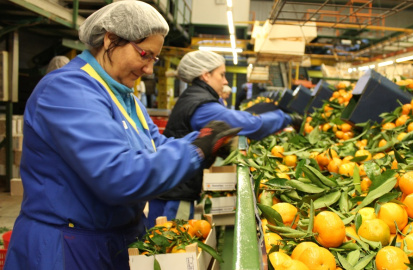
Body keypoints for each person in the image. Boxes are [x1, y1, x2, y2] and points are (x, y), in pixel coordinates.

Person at [4, 1, 239, 270]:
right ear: (111, 40)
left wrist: (204, 140)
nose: (149, 69)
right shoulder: (67, 91)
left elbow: (156, 146)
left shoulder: (125, 98)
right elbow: (117, 175)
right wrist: (196, 150)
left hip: (115, 239)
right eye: (144, 55)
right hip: (67, 246)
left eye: (155, 59)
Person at [147, 50, 303, 226]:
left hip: (173, 185)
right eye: (222, 74)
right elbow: (250, 124)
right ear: (206, 75)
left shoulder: (195, 97)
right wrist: (286, 118)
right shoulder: (203, 106)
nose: (226, 81)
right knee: (167, 241)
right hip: (175, 193)